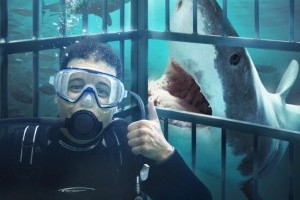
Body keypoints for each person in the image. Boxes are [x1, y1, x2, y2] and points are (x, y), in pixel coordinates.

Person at [0, 38, 212, 200]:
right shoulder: (20, 146)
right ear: (57, 93)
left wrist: (166, 155)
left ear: (116, 101)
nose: (87, 101)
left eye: (102, 91)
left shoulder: (132, 146)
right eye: (75, 86)